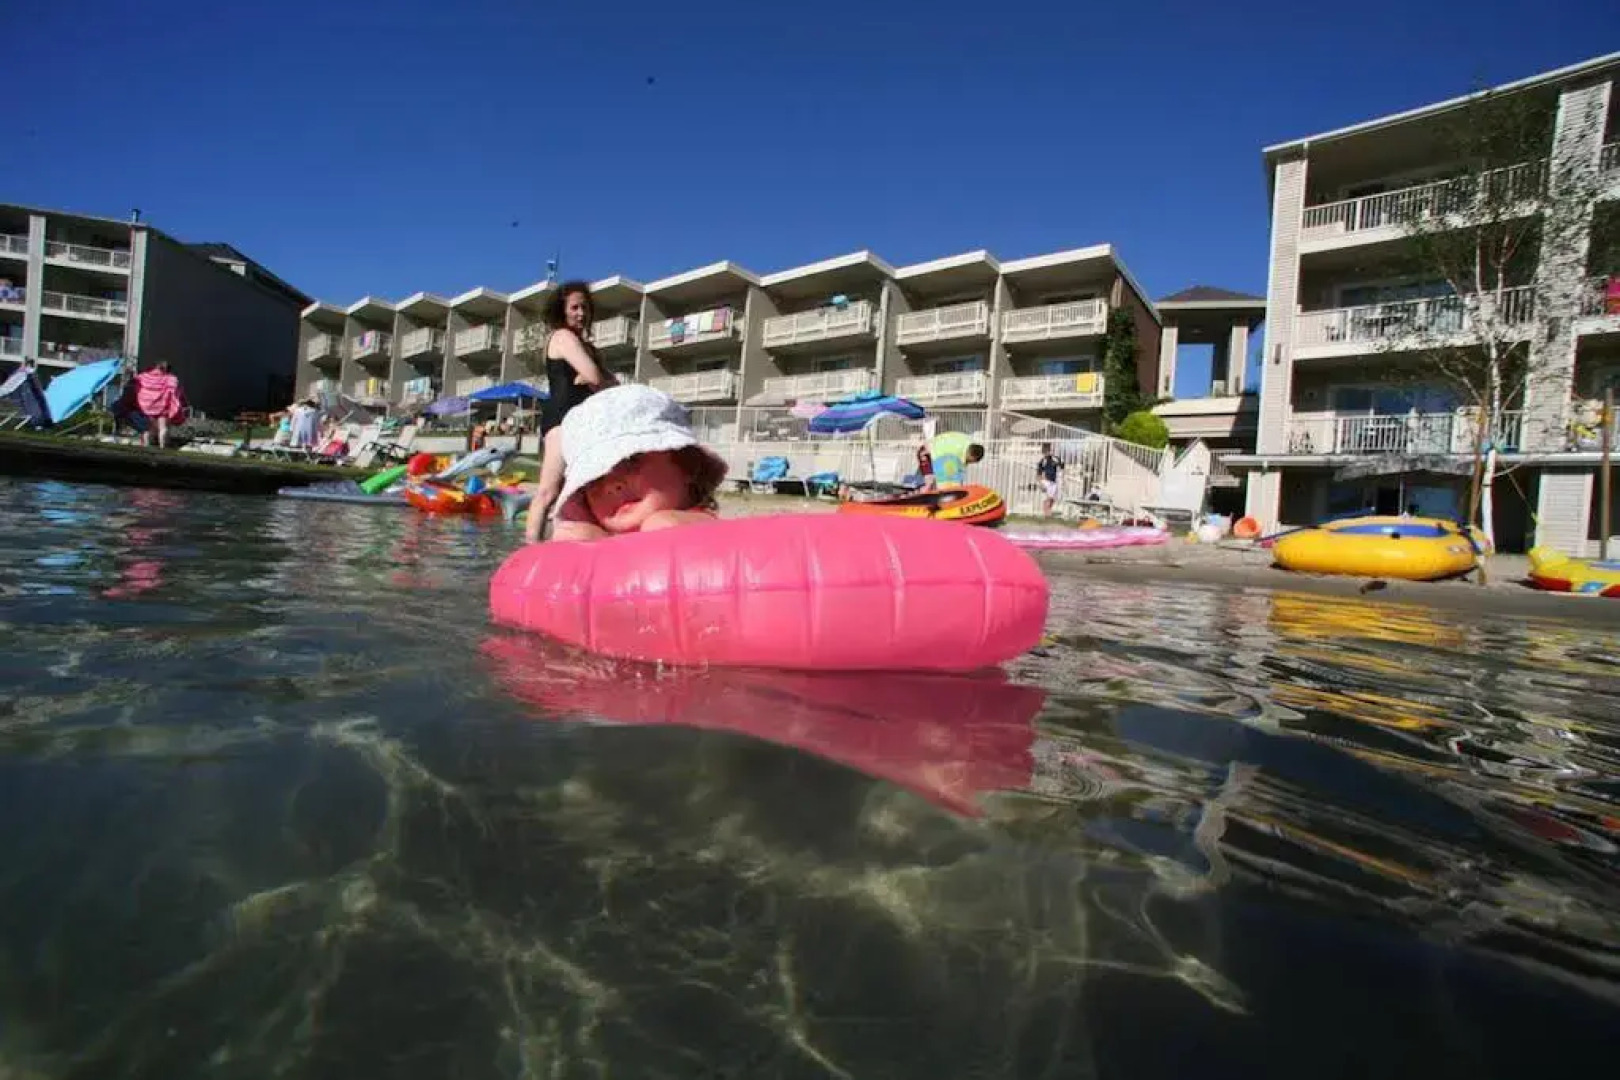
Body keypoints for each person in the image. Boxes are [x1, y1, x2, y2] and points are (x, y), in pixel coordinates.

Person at [551, 384, 727, 543]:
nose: (612, 485)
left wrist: (605, 552)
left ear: (688, 465)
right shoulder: (595, 537)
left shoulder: (700, 522)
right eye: (593, 477)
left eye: (630, 460)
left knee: (661, 526)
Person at [524, 281, 616, 542]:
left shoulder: (586, 347)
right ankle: (530, 550)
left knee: (576, 493)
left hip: (582, 421)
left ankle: (562, 548)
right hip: (562, 420)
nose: (581, 313)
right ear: (561, 311)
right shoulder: (562, 337)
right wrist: (589, 377)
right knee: (548, 493)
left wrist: (592, 378)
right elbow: (594, 376)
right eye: (574, 307)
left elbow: (610, 383)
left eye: (585, 308)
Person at [134, 362, 185, 448]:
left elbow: (135, 383)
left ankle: (146, 447)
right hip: (163, 407)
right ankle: (163, 447)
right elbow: (176, 390)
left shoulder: (145, 376)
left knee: (148, 429)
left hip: (147, 407)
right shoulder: (170, 378)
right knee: (163, 428)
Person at [1036, 442, 1063, 517]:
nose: (1048, 452)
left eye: (1049, 450)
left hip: (1053, 482)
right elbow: (1038, 473)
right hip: (1046, 481)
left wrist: (1062, 477)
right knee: (1048, 499)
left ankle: (1048, 512)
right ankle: (1047, 514)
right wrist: (1041, 483)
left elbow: (1061, 467)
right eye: (1046, 451)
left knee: (1052, 499)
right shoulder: (1043, 461)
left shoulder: (1055, 459)